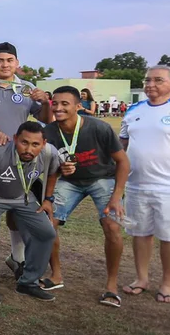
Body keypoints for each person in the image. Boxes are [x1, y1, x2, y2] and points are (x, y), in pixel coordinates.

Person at [43, 86, 129, 306]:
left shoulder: (99, 128)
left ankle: (111, 286)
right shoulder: (50, 132)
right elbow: (51, 168)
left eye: (65, 104)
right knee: (48, 223)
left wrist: (116, 197)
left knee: (112, 226)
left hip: (103, 178)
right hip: (70, 182)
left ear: (78, 107)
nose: (59, 108)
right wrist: (60, 175)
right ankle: (56, 275)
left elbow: (123, 162)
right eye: (55, 103)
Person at [120, 65, 170, 305]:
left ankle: (168, 284)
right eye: (148, 80)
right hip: (136, 185)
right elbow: (122, 146)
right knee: (140, 234)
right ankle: (141, 279)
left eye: (158, 80)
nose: (150, 84)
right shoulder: (133, 111)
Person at [0, 42, 52, 283]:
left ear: (17, 64)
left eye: (9, 61)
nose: (4, 65)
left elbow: (44, 119)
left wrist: (45, 102)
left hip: (22, 157)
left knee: (17, 208)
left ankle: (18, 258)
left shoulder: (27, 88)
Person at [0, 122, 61, 302]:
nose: (28, 149)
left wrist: (48, 200)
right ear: (15, 139)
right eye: (24, 142)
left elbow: (53, 172)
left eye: (35, 144)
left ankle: (28, 282)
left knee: (46, 233)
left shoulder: (50, 153)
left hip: (23, 196)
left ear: (43, 144)